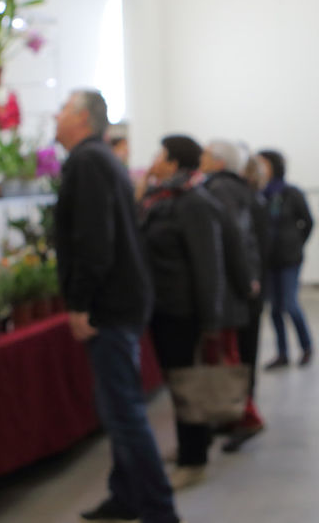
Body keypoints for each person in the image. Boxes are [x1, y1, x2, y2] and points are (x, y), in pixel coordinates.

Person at [53, 89, 181, 523]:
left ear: (82, 121)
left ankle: (159, 508)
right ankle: (126, 495)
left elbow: (94, 240)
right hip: (123, 297)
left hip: (110, 303)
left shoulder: (88, 162)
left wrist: (80, 303)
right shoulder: (101, 159)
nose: (56, 115)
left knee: (123, 410)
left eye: (63, 109)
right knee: (115, 405)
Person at [140, 135, 244, 490]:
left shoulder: (192, 202)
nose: (153, 159)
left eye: (159, 154)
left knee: (190, 384)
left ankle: (194, 459)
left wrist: (211, 320)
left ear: (172, 163)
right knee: (179, 383)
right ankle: (189, 446)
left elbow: (208, 264)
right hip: (166, 308)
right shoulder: (163, 197)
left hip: (185, 312)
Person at [200, 140, 268, 452]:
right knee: (240, 354)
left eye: (205, 153)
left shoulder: (220, 190)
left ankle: (245, 417)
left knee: (232, 356)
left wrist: (243, 282)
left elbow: (234, 240)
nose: (200, 158)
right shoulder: (237, 188)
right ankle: (236, 414)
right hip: (244, 288)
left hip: (233, 291)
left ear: (217, 161)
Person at [257, 149, 315, 369]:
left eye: (264, 163)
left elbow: (308, 222)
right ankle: (282, 353)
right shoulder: (261, 194)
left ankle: (306, 347)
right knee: (274, 309)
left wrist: (296, 243)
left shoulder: (292, 193)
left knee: (290, 304)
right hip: (269, 260)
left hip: (290, 258)